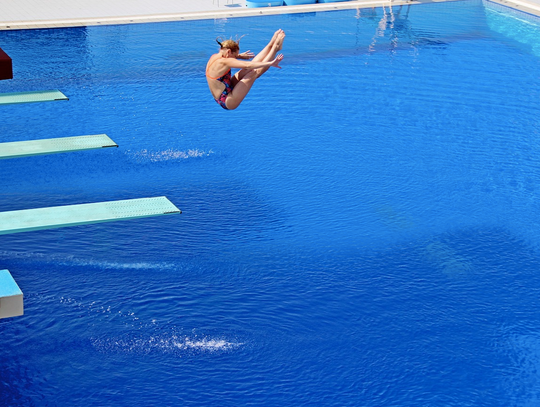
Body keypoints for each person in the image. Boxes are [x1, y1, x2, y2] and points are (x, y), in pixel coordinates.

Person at [206, 30, 285, 110]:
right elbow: (248, 65)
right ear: (229, 52)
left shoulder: (215, 57)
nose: (235, 58)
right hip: (227, 101)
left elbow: (230, 59)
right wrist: (270, 63)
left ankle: (271, 44)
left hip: (226, 88)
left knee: (249, 68)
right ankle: (275, 48)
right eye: (235, 56)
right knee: (254, 73)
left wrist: (239, 56)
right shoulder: (225, 61)